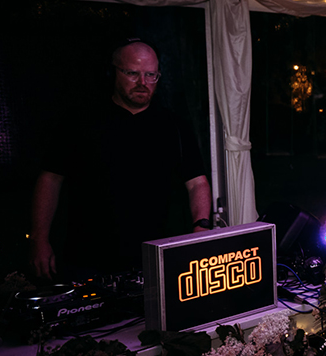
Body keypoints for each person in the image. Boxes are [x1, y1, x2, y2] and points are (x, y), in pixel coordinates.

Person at [30, 38, 212, 280]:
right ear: (112, 72)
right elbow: (50, 179)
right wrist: (39, 239)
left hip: (157, 255)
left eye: (151, 75)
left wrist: (200, 228)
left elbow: (197, 182)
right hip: (88, 257)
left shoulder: (175, 126)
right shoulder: (81, 121)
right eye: (132, 74)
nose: (143, 83)